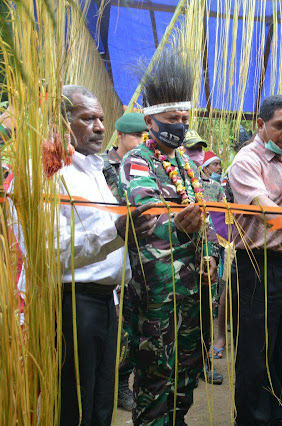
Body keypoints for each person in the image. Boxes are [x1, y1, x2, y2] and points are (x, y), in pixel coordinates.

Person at [119, 50, 220, 425]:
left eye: (184, 118)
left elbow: (202, 216)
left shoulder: (186, 164)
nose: (179, 125)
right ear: (149, 120)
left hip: (192, 289)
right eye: (171, 119)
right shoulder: (138, 161)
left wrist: (208, 252)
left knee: (187, 367)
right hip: (157, 291)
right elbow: (145, 216)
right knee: (156, 372)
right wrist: (177, 227)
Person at [57, 85, 157, 425]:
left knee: (103, 398)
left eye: (101, 118)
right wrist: (115, 231)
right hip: (75, 304)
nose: (100, 127)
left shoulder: (95, 170)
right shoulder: (52, 174)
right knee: (75, 400)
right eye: (88, 119)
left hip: (109, 301)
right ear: (62, 122)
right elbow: (52, 253)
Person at [227, 94, 282, 426]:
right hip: (256, 265)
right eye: (280, 125)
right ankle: (251, 421)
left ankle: (280, 416)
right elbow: (266, 212)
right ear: (260, 125)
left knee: (281, 346)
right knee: (254, 352)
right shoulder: (247, 161)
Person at [99, 111, 147, 412]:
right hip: (108, 253)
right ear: (120, 136)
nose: (142, 142)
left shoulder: (147, 166)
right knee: (115, 327)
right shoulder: (103, 168)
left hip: (140, 256)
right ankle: (111, 385)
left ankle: (125, 383)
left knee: (135, 324)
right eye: (137, 136)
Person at [183, 130, 226, 387]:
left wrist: (213, 254)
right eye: (191, 151)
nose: (196, 155)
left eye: (199, 150)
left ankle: (203, 363)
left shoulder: (214, 187)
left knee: (204, 311)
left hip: (206, 255)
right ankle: (183, 365)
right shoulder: (175, 179)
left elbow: (219, 223)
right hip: (177, 258)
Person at [102, 112, 147, 200]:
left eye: (145, 137)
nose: (142, 141)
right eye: (137, 135)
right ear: (120, 134)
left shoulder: (149, 164)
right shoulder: (100, 164)